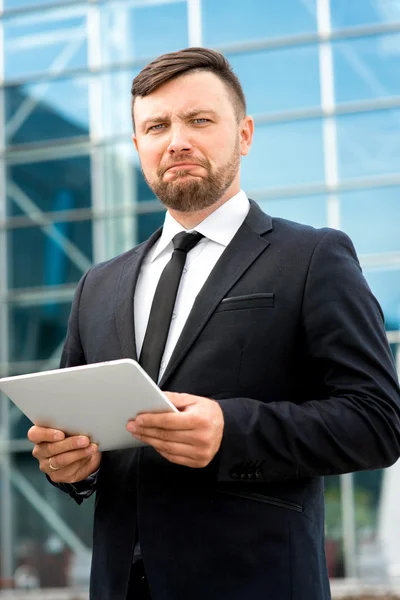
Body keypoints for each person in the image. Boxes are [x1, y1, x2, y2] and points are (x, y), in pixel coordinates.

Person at [28, 47, 400, 600]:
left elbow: (378, 421)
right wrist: (68, 464)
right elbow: (81, 446)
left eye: (199, 120)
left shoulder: (313, 258)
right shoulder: (97, 286)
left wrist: (231, 431)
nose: (176, 139)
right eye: (156, 126)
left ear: (244, 134)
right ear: (138, 147)